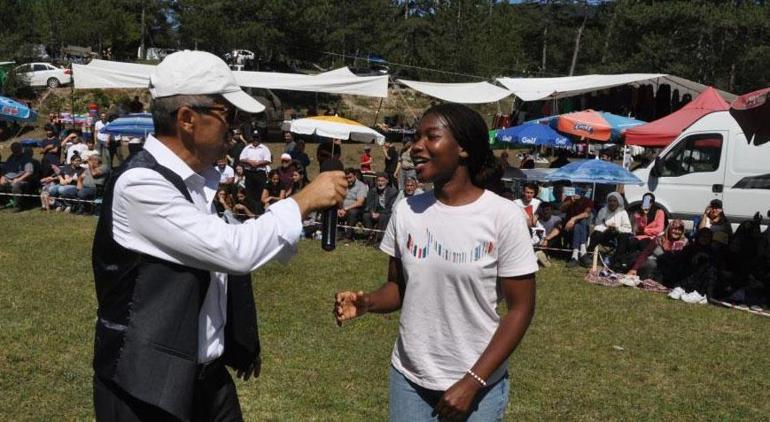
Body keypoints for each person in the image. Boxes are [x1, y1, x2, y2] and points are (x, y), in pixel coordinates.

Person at [90, 50, 348, 422]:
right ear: (187, 119)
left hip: (207, 381)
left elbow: (226, 247)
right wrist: (304, 200)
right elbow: (233, 250)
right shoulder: (140, 184)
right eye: (229, 114)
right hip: (143, 386)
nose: (237, 128)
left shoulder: (200, 182)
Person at [334, 103, 537, 421]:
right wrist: (368, 302)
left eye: (431, 137)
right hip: (409, 379)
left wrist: (473, 381)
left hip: (478, 384)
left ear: (464, 149)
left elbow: (521, 309)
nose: (417, 146)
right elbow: (399, 288)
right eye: (416, 138)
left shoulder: (503, 216)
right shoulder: (407, 210)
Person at [580, 192, 632, 266]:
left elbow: (628, 228)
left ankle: (617, 260)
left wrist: (617, 228)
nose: (612, 203)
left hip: (617, 236)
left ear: (618, 202)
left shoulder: (623, 212)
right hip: (604, 234)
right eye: (610, 201)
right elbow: (597, 225)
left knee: (624, 236)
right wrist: (606, 228)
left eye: (614, 201)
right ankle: (588, 254)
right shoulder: (603, 210)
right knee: (597, 233)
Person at [238, 128, 271, 214]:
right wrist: (249, 162)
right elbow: (241, 158)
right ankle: (251, 211)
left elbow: (268, 160)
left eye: (257, 137)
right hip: (249, 173)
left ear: (259, 138)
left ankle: (260, 212)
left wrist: (258, 163)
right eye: (254, 137)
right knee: (249, 193)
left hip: (260, 173)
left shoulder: (264, 148)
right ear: (252, 138)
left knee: (260, 193)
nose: (255, 139)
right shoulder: (247, 148)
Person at [562, 187, 594, 267]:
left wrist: (573, 219)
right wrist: (569, 202)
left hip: (580, 228)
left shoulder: (587, 201)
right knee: (580, 223)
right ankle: (583, 253)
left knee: (579, 223)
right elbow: (562, 209)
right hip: (568, 228)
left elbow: (587, 214)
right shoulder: (569, 198)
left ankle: (575, 256)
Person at [363, 172, 398, 245]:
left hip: (386, 212)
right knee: (366, 215)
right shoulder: (372, 191)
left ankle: (380, 239)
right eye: (378, 181)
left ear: (387, 181)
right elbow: (369, 204)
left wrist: (379, 214)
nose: (380, 183)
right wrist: (372, 212)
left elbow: (391, 207)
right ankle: (369, 236)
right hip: (375, 211)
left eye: (382, 181)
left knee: (383, 217)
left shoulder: (393, 192)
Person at [0, 142, 36, 212]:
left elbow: (29, 172)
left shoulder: (26, 159)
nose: (15, 151)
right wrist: (2, 177)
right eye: (13, 149)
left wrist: (19, 179)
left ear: (20, 149)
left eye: (16, 149)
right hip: (7, 179)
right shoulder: (10, 158)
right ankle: (2, 203)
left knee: (16, 186)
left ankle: (18, 206)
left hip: (22, 180)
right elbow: (5, 170)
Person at [339, 167, 369, 239]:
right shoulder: (342, 185)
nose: (348, 180)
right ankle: (337, 232)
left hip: (356, 210)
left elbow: (360, 202)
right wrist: (339, 209)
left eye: (350, 177)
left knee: (352, 212)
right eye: (346, 178)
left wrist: (345, 209)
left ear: (355, 176)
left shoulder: (361, 186)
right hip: (342, 208)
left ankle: (348, 236)